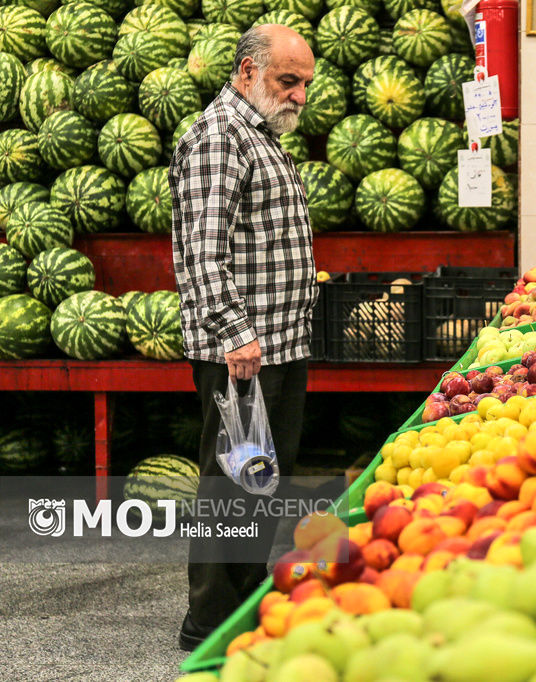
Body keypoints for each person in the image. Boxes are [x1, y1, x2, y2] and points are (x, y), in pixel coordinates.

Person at [169, 24, 317, 651]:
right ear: (249, 72)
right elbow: (201, 255)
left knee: (257, 481)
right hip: (244, 352)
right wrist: (234, 334)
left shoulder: (259, 135)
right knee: (232, 483)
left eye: (306, 84)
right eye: (289, 81)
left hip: (276, 344)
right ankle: (210, 623)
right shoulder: (218, 138)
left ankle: (242, 607)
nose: (300, 96)